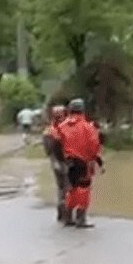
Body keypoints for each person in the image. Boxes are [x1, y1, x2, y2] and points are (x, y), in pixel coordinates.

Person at [58, 98, 103, 228]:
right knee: (83, 190)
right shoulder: (88, 127)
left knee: (71, 189)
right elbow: (94, 145)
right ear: (82, 110)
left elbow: (56, 143)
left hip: (68, 162)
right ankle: (80, 218)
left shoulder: (62, 127)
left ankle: (67, 217)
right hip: (83, 162)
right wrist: (95, 159)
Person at [42, 105, 69, 223]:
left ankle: (61, 211)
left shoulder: (49, 130)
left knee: (61, 187)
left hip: (58, 162)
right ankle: (65, 212)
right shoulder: (66, 128)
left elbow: (47, 150)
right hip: (64, 162)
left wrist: (54, 162)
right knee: (67, 187)